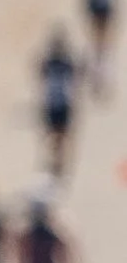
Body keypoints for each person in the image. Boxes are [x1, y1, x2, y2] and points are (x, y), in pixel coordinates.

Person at [37, 26, 82, 181]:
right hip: (54, 103)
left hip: (62, 103)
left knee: (62, 136)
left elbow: (75, 83)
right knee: (54, 137)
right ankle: (56, 163)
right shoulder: (49, 62)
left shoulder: (67, 62)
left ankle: (61, 164)